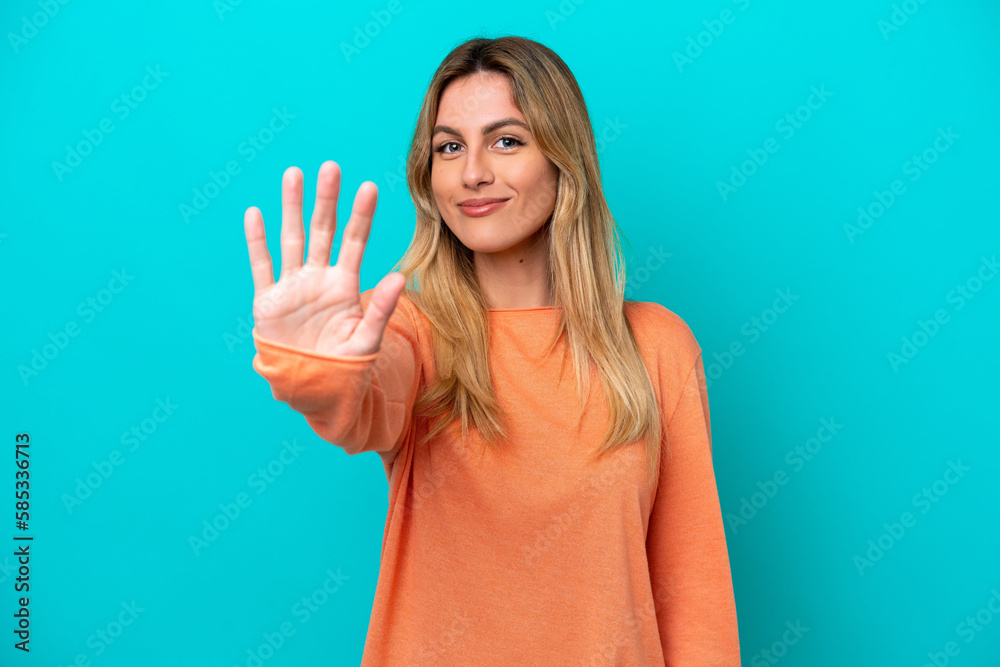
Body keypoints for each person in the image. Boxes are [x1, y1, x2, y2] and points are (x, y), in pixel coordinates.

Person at [244, 35, 740, 666]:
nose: (472, 171)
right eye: (450, 147)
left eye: (506, 140)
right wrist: (315, 364)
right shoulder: (411, 333)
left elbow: (695, 601)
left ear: (564, 160)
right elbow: (353, 403)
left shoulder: (657, 345)